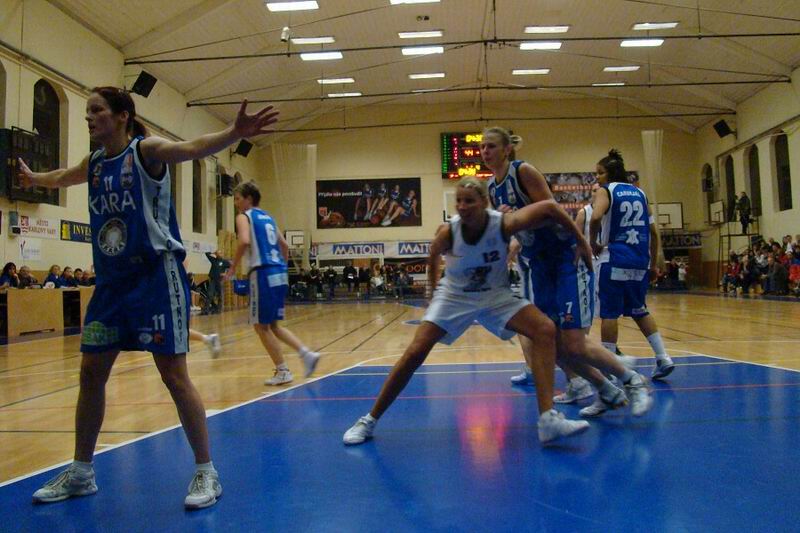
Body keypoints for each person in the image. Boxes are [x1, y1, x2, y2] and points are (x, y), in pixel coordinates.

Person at [20, 86, 278, 509]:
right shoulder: (95, 162)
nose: (89, 117)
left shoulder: (145, 151)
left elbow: (192, 147)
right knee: (90, 373)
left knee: (174, 375)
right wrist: (36, 180)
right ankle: (81, 472)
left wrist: (234, 133)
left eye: (97, 110)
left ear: (122, 115)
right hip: (111, 283)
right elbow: (65, 176)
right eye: (86, 111)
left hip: (155, 276)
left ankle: (206, 471)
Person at [343, 178, 591, 446]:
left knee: (544, 329)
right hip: (455, 295)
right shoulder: (449, 232)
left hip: (495, 295)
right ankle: (369, 419)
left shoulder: (503, 223)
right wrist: (433, 292)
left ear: (484, 202)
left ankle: (548, 421)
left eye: (469, 201)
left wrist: (582, 242)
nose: (462, 206)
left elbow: (551, 208)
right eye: (458, 201)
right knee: (415, 352)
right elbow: (433, 255)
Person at [482, 128, 651, 418]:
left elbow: (553, 210)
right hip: (539, 264)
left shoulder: (523, 172)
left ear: (507, 149)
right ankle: (605, 390)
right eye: (483, 147)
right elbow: (510, 228)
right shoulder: (491, 188)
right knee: (547, 338)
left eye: (491, 146)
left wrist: (581, 241)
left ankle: (632, 381)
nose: (486, 152)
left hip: (565, 258)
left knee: (573, 342)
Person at [590, 149, 675, 381]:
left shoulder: (607, 190)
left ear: (610, 174)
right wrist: (653, 264)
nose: (597, 177)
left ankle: (609, 365)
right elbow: (654, 233)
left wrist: (593, 243)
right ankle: (663, 357)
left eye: (600, 173)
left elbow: (595, 217)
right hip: (639, 261)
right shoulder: (640, 193)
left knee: (609, 313)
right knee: (639, 310)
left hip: (614, 257)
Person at [225, 181, 321, 386]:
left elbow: (244, 241)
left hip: (262, 272)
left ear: (249, 199)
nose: (235, 203)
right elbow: (284, 245)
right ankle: (307, 354)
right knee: (273, 325)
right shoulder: (268, 217)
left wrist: (233, 266)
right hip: (279, 272)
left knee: (260, 326)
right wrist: (282, 268)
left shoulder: (244, 216)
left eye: (238, 198)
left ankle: (283, 371)